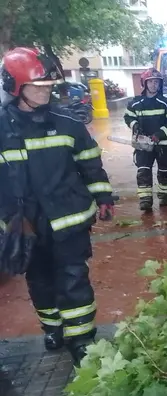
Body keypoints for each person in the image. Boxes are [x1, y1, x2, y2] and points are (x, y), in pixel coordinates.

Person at [0, 47, 115, 365]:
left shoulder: (69, 124)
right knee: (39, 280)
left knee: (74, 278)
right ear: (15, 87)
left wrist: (103, 197)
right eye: (38, 87)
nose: (45, 92)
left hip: (69, 221)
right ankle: (53, 328)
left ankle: (81, 339)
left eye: (49, 87)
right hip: (25, 226)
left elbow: (91, 165)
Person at [124, 68, 167, 211]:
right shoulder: (136, 103)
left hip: (163, 145)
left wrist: (159, 135)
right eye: (151, 82)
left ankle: (164, 196)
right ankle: (145, 199)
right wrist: (134, 125)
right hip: (143, 145)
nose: (154, 85)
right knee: (143, 170)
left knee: (164, 170)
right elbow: (128, 117)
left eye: (156, 82)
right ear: (145, 83)